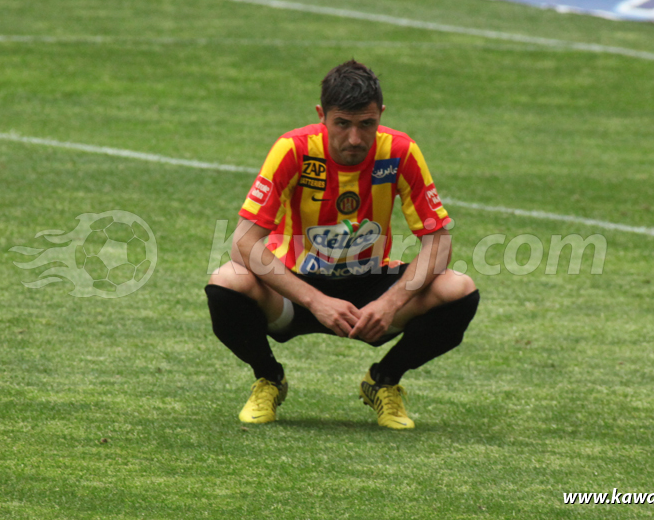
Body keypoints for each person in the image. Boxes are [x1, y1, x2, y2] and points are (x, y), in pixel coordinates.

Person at [205, 60, 480, 430]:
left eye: (367, 124)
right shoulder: (293, 150)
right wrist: (315, 300)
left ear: (381, 114)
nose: (355, 138)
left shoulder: (400, 151)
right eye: (342, 124)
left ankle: (383, 381)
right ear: (322, 116)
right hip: (294, 287)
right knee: (226, 280)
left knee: (459, 288)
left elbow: (438, 244)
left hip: (371, 290)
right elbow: (243, 242)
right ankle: (269, 378)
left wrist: (389, 302)